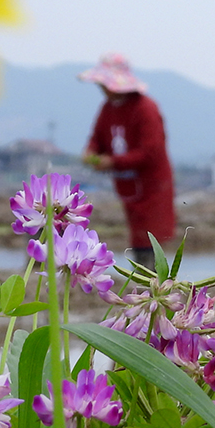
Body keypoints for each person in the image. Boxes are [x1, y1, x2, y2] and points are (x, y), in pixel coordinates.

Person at [79, 53, 176, 271]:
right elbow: (97, 138)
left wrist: (112, 161)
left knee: (151, 236)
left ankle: (152, 279)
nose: (102, 88)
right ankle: (142, 276)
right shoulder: (108, 108)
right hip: (128, 185)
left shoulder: (146, 108)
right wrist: (91, 152)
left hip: (152, 186)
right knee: (137, 235)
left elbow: (150, 152)